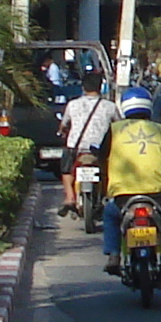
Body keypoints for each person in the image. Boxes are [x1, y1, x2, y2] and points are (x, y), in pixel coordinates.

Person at [100, 89, 161, 274]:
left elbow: (101, 157)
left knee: (110, 215)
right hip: (158, 196)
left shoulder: (114, 130)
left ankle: (114, 255)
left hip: (122, 198)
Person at [60, 74, 118, 217]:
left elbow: (64, 124)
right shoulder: (110, 106)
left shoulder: (73, 105)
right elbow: (119, 124)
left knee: (66, 169)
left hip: (76, 147)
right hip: (100, 148)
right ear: (100, 87)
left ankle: (69, 198)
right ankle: (107, 195)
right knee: (108, 169)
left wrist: (62, 131)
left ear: (83, 87)